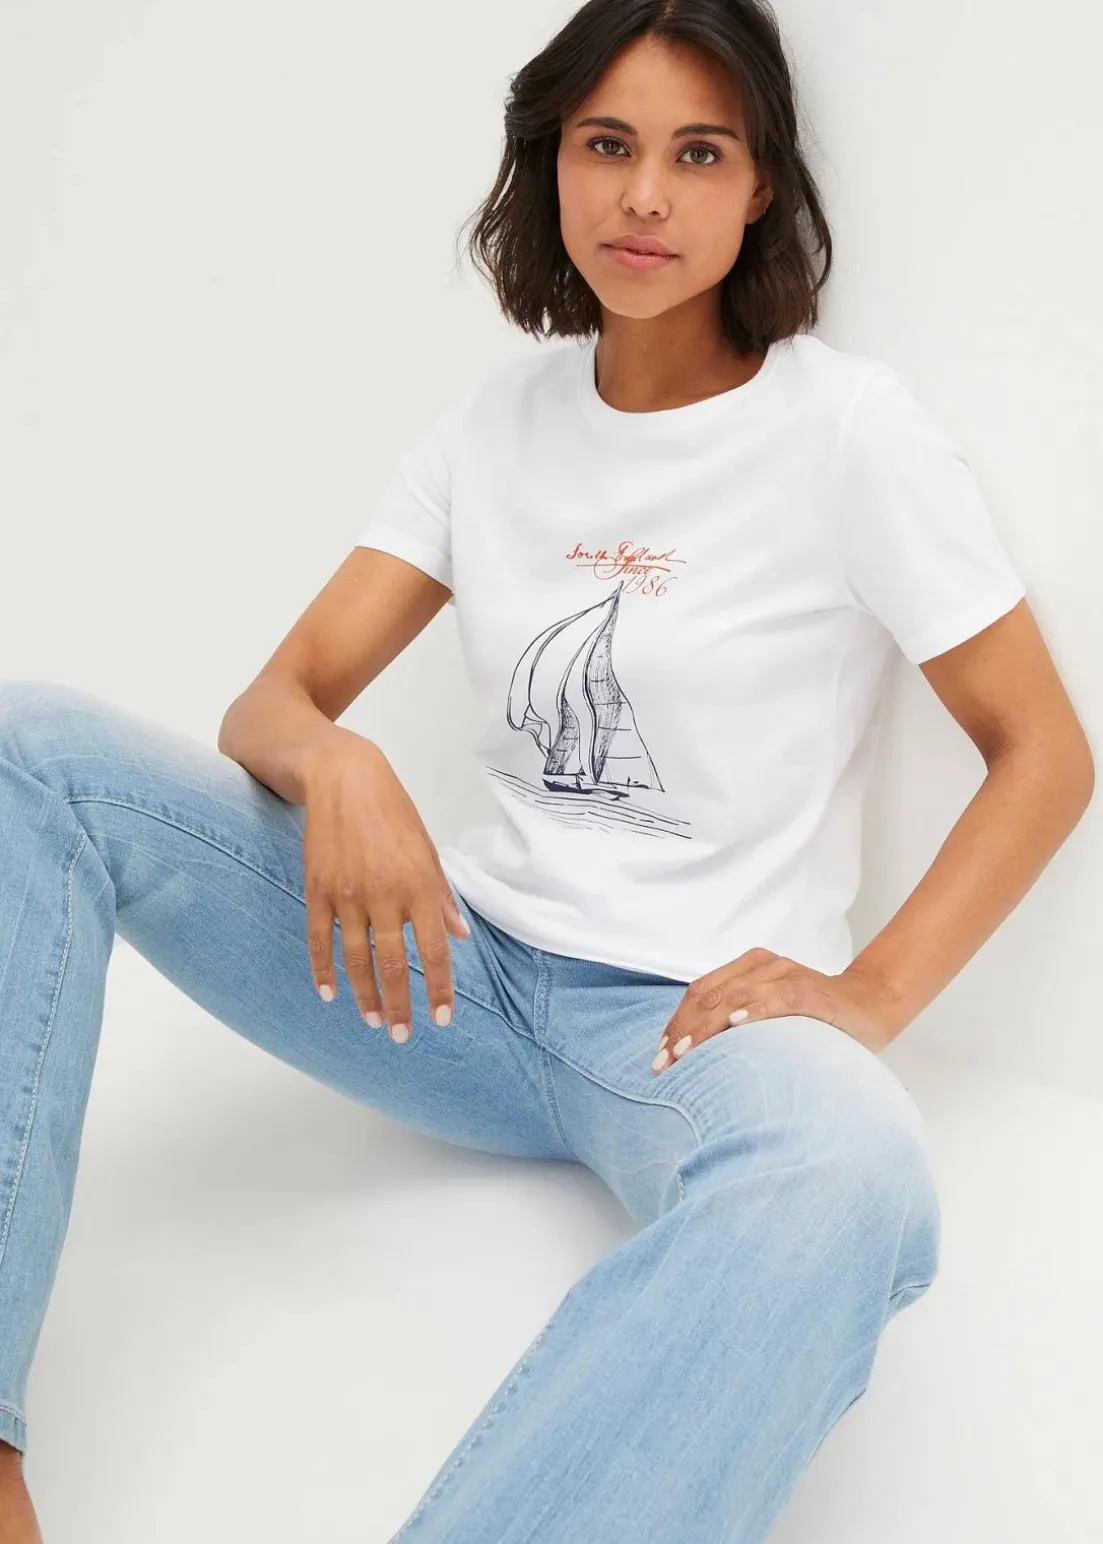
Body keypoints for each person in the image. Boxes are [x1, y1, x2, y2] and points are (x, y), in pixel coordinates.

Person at [0, 0, 1094, 1539]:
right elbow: (275, 697)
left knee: (851, 1178)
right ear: (552, 163)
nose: (644, 195)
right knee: (34, 754)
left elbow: (1042, 749)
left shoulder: (849, 431)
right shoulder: (491, 429)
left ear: (759, 185)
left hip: (685, 1027)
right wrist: (337, 760)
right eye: (606, 145)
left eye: (697, 153)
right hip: (451, 975)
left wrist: (869, 995)